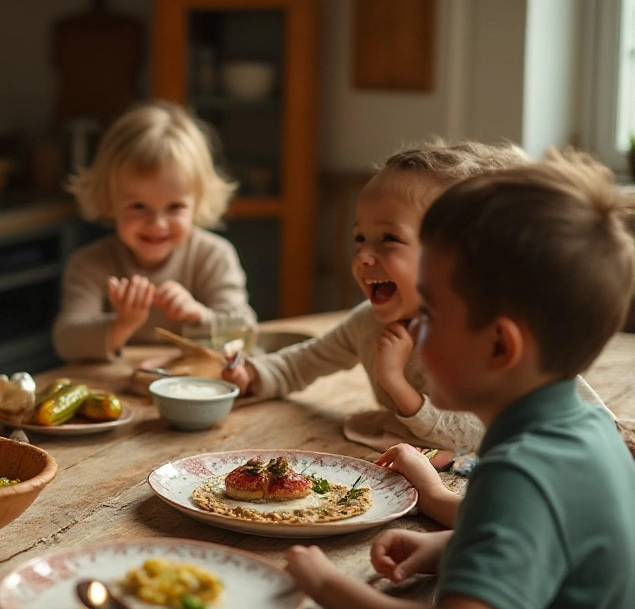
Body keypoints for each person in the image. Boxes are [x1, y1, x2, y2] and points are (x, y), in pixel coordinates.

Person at [284, 150, 635, 609]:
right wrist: (453, 545)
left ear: (499, 345)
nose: (415, 333)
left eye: (431, 313)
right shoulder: (593, 435)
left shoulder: (517, 471)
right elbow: (552, 544)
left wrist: (330, 587)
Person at [222, 140, 616, 523]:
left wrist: (398, 386)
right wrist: (253, 375)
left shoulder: (481, 335)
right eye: (360, 238)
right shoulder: (368, 323)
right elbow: (302, 362)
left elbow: (487, 433)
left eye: (389, 239)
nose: (363, 256)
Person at [52, 100, 256, 362]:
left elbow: (246, 331)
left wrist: (198, 315)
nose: (157, 223)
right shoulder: (89, 265)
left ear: (198, 205)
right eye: (138, 206)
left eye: (174, 207)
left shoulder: (214, 256)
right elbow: (67, 341)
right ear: (108, 202)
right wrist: (123, 324)